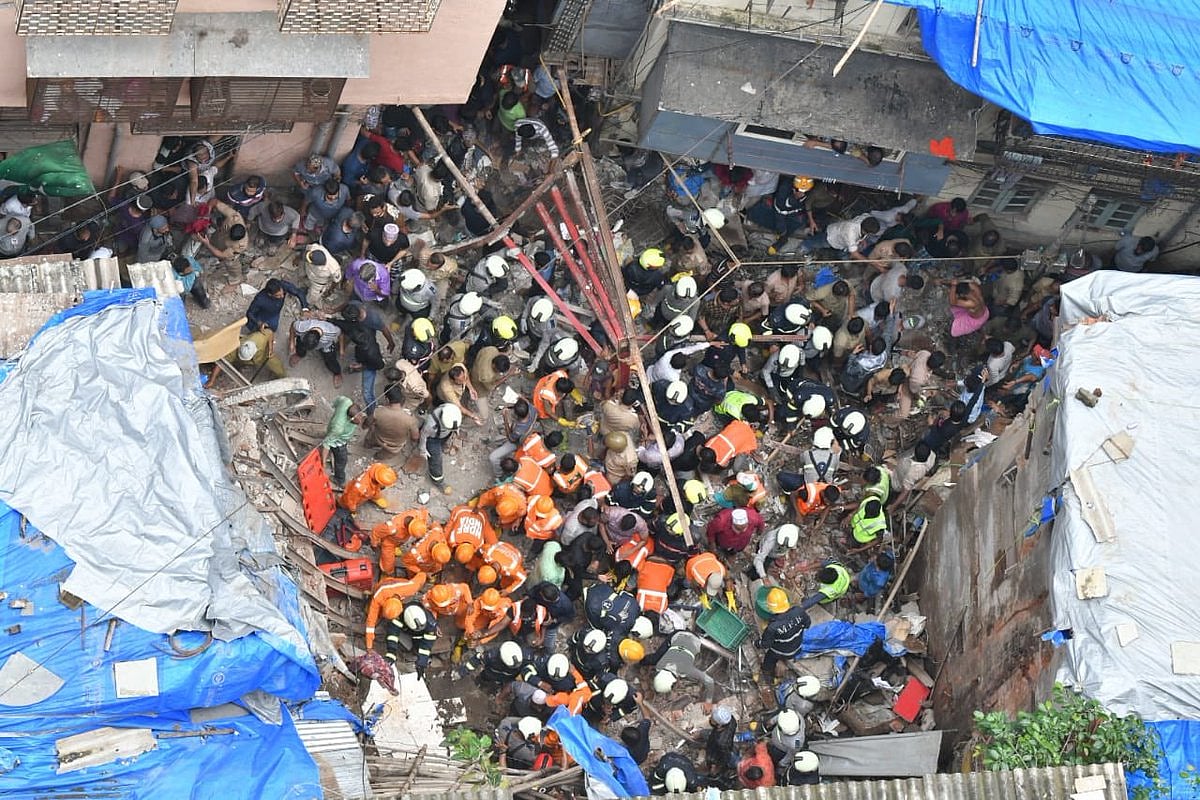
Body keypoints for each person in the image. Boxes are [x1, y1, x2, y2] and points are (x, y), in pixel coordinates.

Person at [647, 631, 717, 704]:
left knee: (655, 658)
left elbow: (710, 681)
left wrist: (708, 701)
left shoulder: (686, 669)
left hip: (694, 638)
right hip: (677, 634)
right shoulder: (660, 664)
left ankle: (640, 661)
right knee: (655, 658)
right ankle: (641, 661)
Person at [758, 590, 811, 679]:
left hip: (781, 652)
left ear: (770, 608)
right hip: (797, 647)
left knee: (769, 657)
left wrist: (757, 643)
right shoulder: (799, 611)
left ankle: (767, 673)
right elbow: (807, 624)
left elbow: (765, 644)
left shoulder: (772, 627)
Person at [321, 396, 367, 487]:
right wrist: (323, 463)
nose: (360, 422)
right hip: (338, 443)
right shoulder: (338, 428)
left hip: (336, 430)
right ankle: (339, 479)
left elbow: (337, 401)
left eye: (361, 417)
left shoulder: (346, 401)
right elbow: (326, 444)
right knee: (341, 460)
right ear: (350, 419)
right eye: (358, 421)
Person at [366, 386, 420, 460]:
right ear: (402, 399)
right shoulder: (410, 418)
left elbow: (368, 422)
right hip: (394, 447)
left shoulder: (378, 411)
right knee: (380, 457)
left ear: (387, 399)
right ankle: (377, 456)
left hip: (378, 438)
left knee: (370, 435)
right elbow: (415, 437)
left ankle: (368, 445)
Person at [419, 404, 463, 493]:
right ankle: (438, 481)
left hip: (443, 434)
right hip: (433, 439)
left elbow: (454, 423)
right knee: (436, 460)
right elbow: (423, 436)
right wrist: (423, 449)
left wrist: (455, 429)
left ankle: (442, 445)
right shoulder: (431, 424)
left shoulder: (451, 410)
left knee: (442, 443)